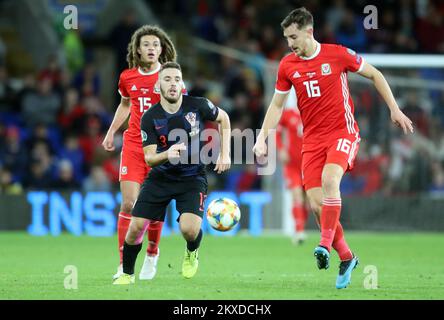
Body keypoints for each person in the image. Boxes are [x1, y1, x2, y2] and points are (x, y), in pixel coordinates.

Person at [253, 7, 413, 289]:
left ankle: (324, 244)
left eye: (293, 36)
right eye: (287, 38)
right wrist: (262, 137)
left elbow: (375, 74)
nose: (290, 43)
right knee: (316, 205)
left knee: (330, 180)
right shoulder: (287, 65)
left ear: (308, 31)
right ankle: (347, 256)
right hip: (312, 141)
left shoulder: (337, 54)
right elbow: (277, 105)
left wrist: (394, 109)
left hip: (343, 132)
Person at [113, 62, 231, 285]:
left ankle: (191, 252)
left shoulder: (198, 105)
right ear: (158, 86)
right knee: (136, 228)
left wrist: (225, 154)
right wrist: (168, 153)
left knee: (188, 230)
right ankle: (127, 274)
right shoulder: (150, 117)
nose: (173, 84)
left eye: (177, 79)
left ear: (182, 84)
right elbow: (149, 158)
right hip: (160, 178)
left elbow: (223, 118)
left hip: (192, 178)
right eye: (167, 79)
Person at [102, 25, 178, 281]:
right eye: (146, 44)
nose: (151, 49)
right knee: (128, 204)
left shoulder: (170, 78)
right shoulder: (127, 77)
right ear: (137, 48)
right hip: (134, 145)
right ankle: (124, 265)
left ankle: (152, 254)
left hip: (161, 148)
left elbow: (180, 111)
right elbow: (125, 104)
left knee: (154, 206)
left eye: (155, 45)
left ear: (161, 49)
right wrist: (111, 131)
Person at [276, 88, 309, 245]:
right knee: (296, 196)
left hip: (309, 163)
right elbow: (276, 131)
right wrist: (281, 149)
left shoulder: (312, 114)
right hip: (292, 164)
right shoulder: (288, 114)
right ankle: (299, 231)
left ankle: (302, 226)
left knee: (309, 201)